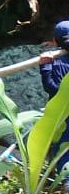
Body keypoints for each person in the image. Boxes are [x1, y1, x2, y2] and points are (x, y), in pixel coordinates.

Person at [38, 20, 69, 172]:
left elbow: (53, 89)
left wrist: (45, 66)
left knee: (64, 151)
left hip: (64, 117)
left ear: (55, 42)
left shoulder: (58, 64)